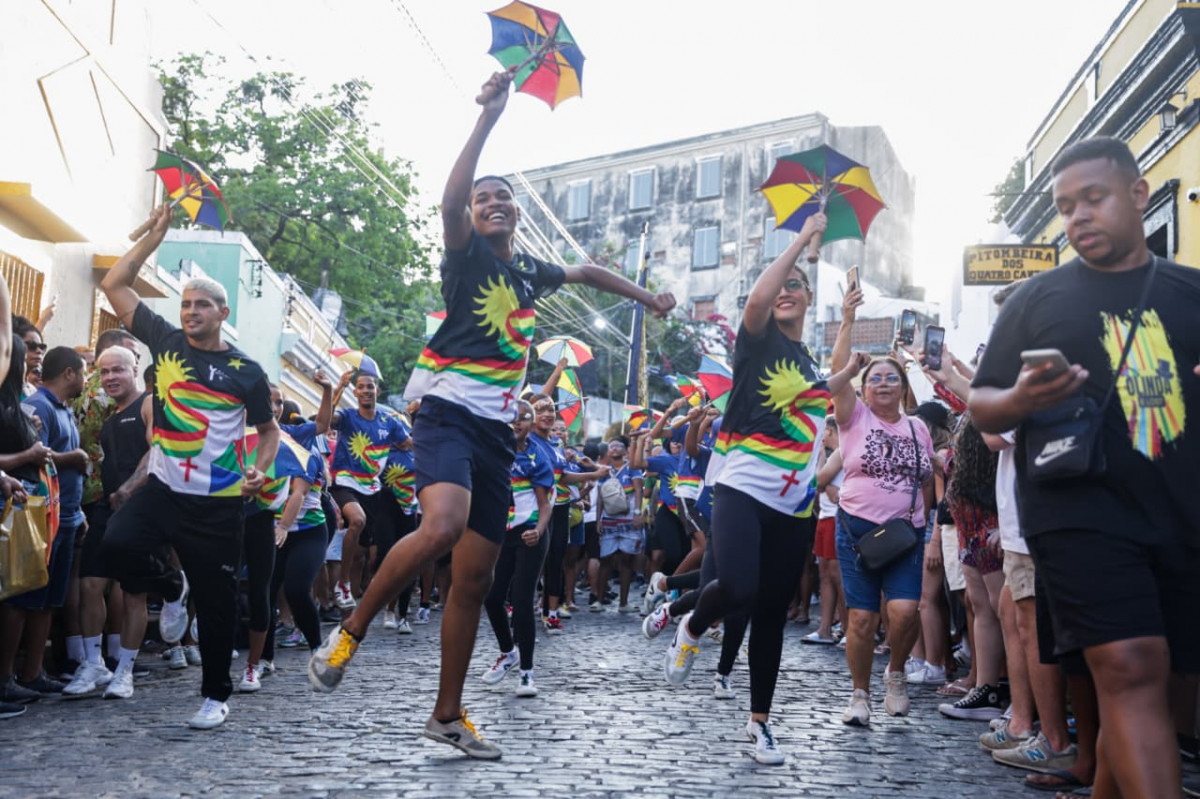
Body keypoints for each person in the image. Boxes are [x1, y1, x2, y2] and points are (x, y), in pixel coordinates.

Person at [307, 67, 674, 760]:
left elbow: (589, 271)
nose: (492, 203)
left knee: (475, 580)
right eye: (484, 199)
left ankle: (447, 713)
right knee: (441, 526)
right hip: (444, 415)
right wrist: (488, 119)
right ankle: (349, 631)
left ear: (516, 213)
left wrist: (646, 298)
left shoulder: (531, 272)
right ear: (472, 218)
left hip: (497, 438)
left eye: (503, 196)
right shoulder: (465, 257)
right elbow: (447, 202)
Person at [969, 136, 1200, 799]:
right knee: (1132, 667)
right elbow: (983, 403)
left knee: (1165, 690)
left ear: (1138, 194)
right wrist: (1019, 399)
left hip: (1180, 515)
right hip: (1077, 515)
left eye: (1092, 199)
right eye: (1066, 206)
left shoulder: (1191, 294)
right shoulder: (1037, 299)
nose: (1077, 218)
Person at [663, 213, 844, 765]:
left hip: (796, 503)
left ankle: (760, 723)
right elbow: (757, 303)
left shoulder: (809, 362)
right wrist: (799, 242)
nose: (786, 291)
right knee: (735, 587)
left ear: (810, 297)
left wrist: (851, 358)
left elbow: (821, 394)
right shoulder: (758, 341)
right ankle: (690, 624)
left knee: (770, 613)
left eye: (796, 286)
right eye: (781, 285)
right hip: (743, 485)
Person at [99, 204, 280, 729]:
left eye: (202, 305)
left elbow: (267, 434)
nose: (190, 311)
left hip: (219, 503)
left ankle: (215, 695)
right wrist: (152, 240)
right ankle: (170, 587)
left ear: (223, 313)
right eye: (185, 304)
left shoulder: (246, 371)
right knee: (116, 541)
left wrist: (261, 471)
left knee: (220, 601)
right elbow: (115, 283)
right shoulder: (166, 341)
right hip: (163, 489)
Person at [830, 311, 936, 728]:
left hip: (906, 535)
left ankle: (896, 674)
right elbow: (838, 373)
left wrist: (925, 530)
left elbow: (926, 479)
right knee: (861, 617)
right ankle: (860, 693)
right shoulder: (853, 417)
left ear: (904, 387)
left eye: (892, 377)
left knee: (906, 611)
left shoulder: (918, 428)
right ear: (862, 389)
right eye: (875, 378)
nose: (884, 383)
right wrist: (846, 323)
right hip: (857, 530)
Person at [62, 345, 150, 698]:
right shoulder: (112, 419)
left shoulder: (149, 404)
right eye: (105, 371)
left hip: (141, 509)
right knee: (89, 584)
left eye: (119, 370)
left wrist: (129, 488)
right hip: (106, 506)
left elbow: (157, 449)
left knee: (133, 593)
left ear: (134, 370)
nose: (111, 377)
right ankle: (93, 663)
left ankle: (124, 671)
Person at [0, 346, 88, 701]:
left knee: (48, 599)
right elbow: (39, 459)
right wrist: (75, 458)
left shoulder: (54, 409)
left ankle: (33, 672)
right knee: (22, 597)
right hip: (33, 514)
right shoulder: (38, 407)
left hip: (62, 514)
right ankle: (6, 678)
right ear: (70, 373)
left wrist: (76, 512)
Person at [480, 400, 553, 696]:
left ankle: (527, 673)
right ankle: (508, 652)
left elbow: (545, 505)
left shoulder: (537, 457)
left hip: (530, 534)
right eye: (512, 418)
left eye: (522, 419)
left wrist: (538, 530)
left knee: (522, 601)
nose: (516, 423)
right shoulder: (495, 452)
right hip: (503, 533)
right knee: (492, 598)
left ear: (530, 424)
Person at [326, 370, 411, 609]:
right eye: (361, 386)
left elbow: (407, 444)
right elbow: (326, 419)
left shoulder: (389, 422)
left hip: (372, 490)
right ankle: (341, 583)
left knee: (361, 556)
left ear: (377, 391)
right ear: (356, 392)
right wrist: (338, 387)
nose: (365, 390)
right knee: (357, 520)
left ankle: (350, 610)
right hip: (345, 482)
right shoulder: (348, 416)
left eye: (370, 386)